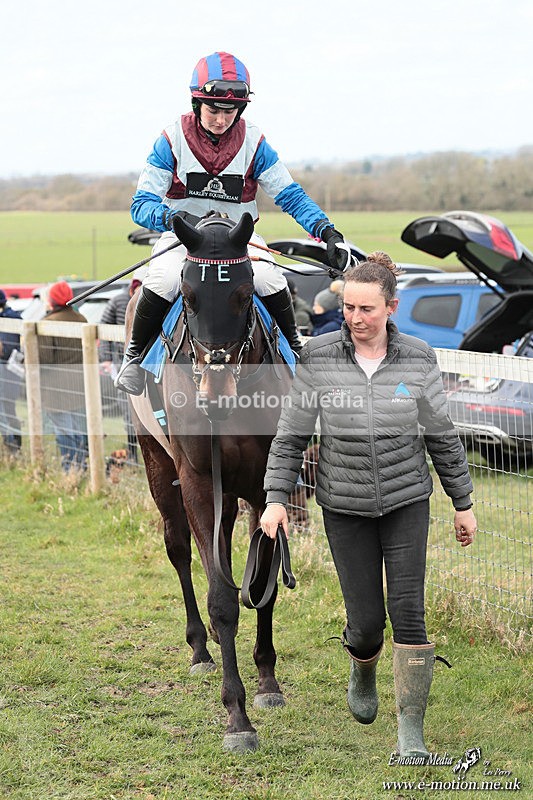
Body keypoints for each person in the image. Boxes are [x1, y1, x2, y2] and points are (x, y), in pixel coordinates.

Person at [260, 252, 477, 761]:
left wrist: (462, 502)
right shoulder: (318, 358)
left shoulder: (419, 357)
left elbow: (442, 436)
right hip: (345, 505)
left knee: (409, 614)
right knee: (365, 623)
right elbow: (292, 436)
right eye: (349, 308)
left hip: (407, 501)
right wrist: (274, 499)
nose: (356, 319)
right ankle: (363, 665)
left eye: (367, 309)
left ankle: (411, 735)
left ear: (391, 307)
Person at [115, 51, 352, 395]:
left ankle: (296, 350)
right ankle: (133, 359)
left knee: (271, 277)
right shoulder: (170, 140)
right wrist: (175, 217)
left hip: (238, 239)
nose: (221, 119)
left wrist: (327, 232)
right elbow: (141, 205)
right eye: (213, 110)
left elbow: (290, 195)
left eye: (230, 112)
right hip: (184, 237)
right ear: (197, 104)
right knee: (164, 278)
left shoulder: (255, 142)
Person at [38, 281, 89, 472]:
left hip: (55, 387)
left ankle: (70, 468)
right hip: (79, 382)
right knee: (77, 427)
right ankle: (81, 466)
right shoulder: (81, 318)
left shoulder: (47, 323)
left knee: (64, 429)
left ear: (51, 300)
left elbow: (43, 359)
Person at [99, 270, 146, 463]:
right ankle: (133, 453)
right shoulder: (118, 301)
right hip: (123, 362)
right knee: (128, 410)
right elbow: (103, 329)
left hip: (147, 360)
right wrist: (106, 358)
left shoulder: (154, 300)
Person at [0, 289, 23, 454]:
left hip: (8, 374)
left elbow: (5, 350)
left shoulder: (10, 319)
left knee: (7, 410)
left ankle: (12, 448)